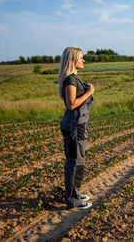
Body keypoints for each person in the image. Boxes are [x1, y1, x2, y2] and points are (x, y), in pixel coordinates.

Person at [58, 47, 94, 209]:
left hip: (79, 124)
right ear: (73, 60)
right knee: (74, 161)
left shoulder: (75, 79)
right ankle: (73, 200)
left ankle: (75, 193)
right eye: (80, 58)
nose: (83, 60)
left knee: (79, 161)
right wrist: (89, 93)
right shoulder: (70, 80)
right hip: (74, 124)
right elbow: (71, 104)